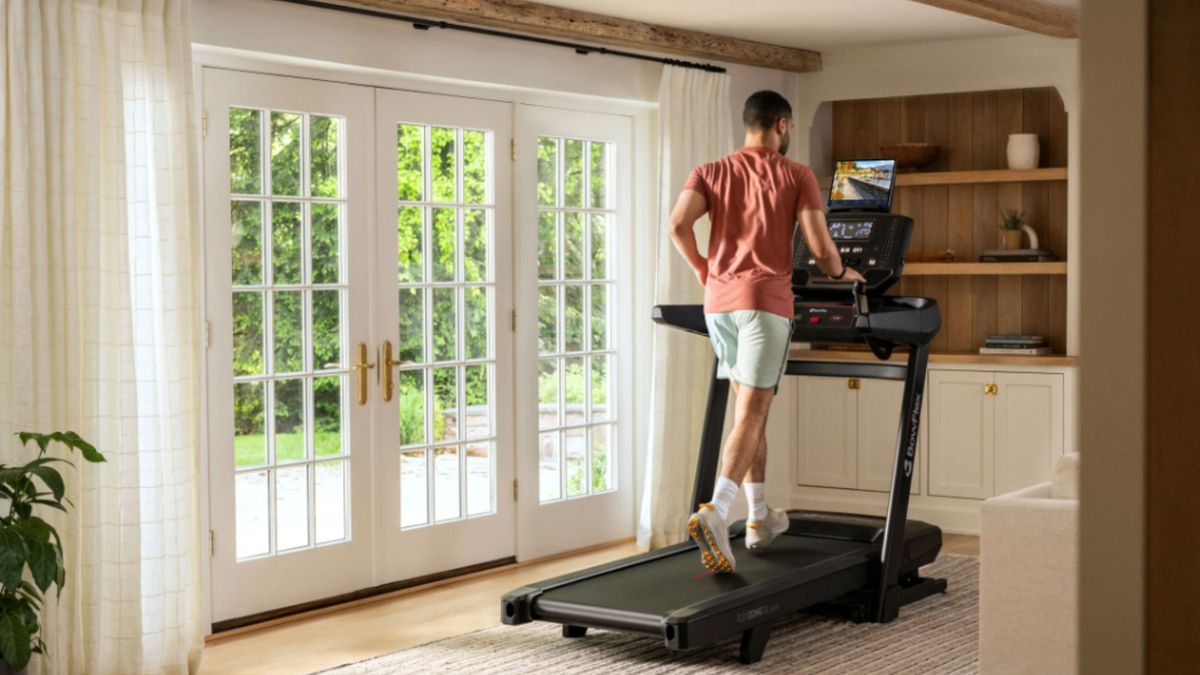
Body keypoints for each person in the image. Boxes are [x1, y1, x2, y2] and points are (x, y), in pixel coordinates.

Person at [669, 90, 865, 573]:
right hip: (764, 305)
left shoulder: (708, 170)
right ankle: (717, 510)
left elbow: (677, 225)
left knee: (748, 414)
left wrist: (702, 269)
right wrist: (844, 274)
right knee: (752, 415)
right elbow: (820, 249)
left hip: (718, 306)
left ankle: (759, 519)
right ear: (783, 125)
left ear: (747, 123)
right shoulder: (796, 175)